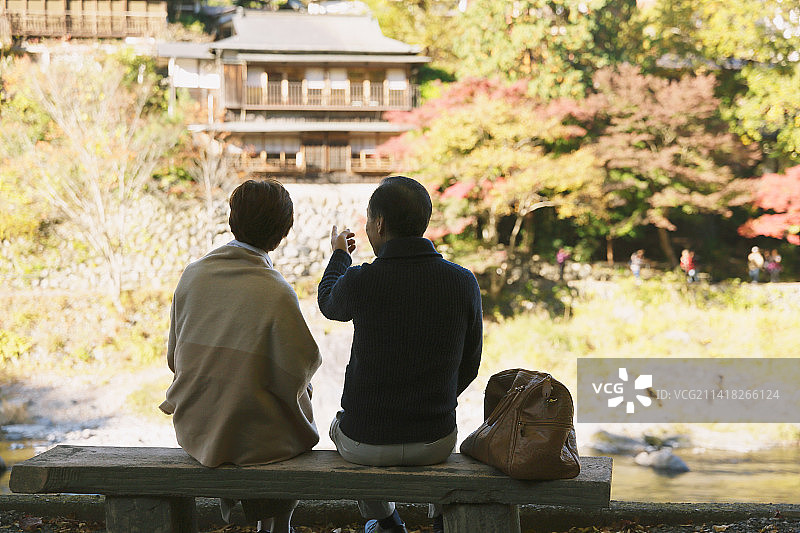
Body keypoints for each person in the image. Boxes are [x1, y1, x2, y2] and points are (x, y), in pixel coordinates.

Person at [317, 176, 483, 533]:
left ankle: (389, 522)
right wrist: (434, 397)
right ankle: (440, 520)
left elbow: (329, 303)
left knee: (338, 427)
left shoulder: (363, 280)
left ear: (378, 224)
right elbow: (470, 364)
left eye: (367, 219)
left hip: (366, 442)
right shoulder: (462, 281)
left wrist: (339, 255)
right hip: (435, 440)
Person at [160, 179, 321, 533]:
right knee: (292, 406)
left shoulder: (193, 275)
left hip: (197, 428)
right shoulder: (275, 290)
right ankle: (279, 524)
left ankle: (256, 518)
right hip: (256, 440)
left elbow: (175, 358)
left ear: (233, 220)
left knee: (248, 389)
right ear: (282, 233)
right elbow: (299, 370)